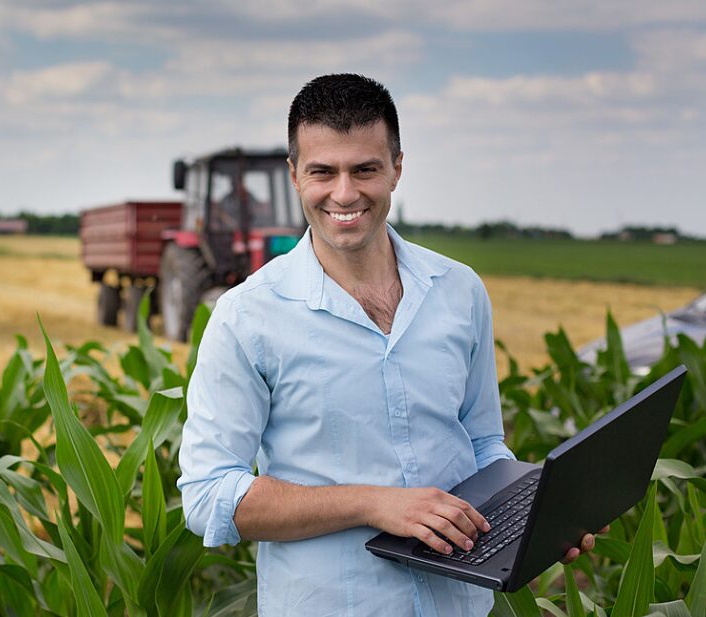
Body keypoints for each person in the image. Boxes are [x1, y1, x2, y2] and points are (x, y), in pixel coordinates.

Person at [177, 74, 599, 616]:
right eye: (322, 172)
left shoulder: (459, 290)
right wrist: (373, 503)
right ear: (294, 176)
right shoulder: (247, 317)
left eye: (366, 169)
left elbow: (484, 446)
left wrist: (541, 515)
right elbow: (210, 496)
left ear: (398, 167)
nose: (345, 193)